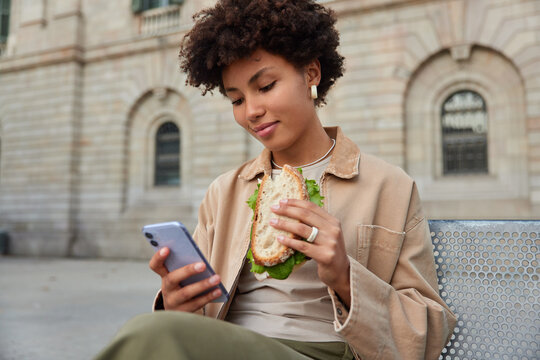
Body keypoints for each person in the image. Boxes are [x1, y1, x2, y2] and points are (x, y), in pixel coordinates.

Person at [95, 0, 456, 359]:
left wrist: (345, 275)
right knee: (153, 328)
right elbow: (199, 321)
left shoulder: (389, 186)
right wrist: (177, 304)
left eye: (265, 86)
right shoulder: (224, 192)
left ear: (311, 73)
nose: (251, 111)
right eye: (236, 99)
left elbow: (426, 334)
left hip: (323, 350)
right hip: (226, 345)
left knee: (144, 332)